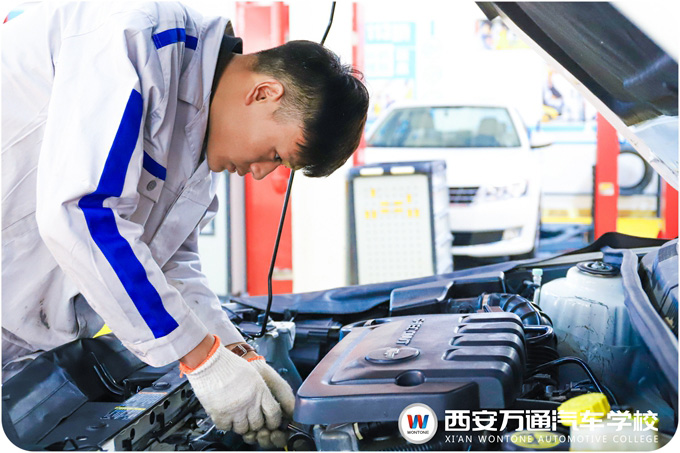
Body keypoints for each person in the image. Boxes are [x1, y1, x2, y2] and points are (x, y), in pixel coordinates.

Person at [1, 1, 369, 448]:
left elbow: (169, 262)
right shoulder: (134, 38)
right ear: (264, 93)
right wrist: (201, 358)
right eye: (276, 155)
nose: (260, 173)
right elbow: (82, 213)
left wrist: (236, 352)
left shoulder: (195, 129)